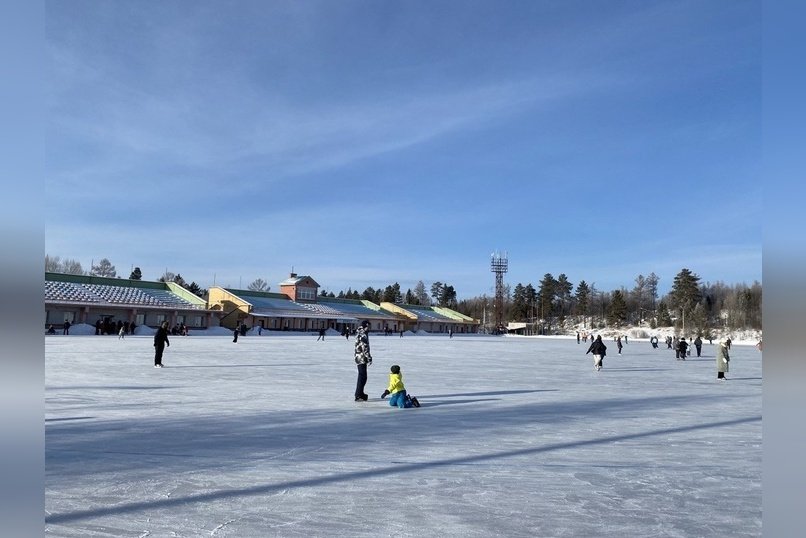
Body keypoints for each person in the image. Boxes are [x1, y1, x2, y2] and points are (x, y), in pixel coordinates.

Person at [354, 320, 372, 401]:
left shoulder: (359, 332)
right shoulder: (363, 334)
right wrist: (369, 358)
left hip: (358, 356)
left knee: (362, 376)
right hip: (362, 357)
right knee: (362, 376)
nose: (370, 328)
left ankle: (360, 393)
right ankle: (359, 394)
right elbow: (365, 347)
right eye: (369, 327)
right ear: (366, 326)